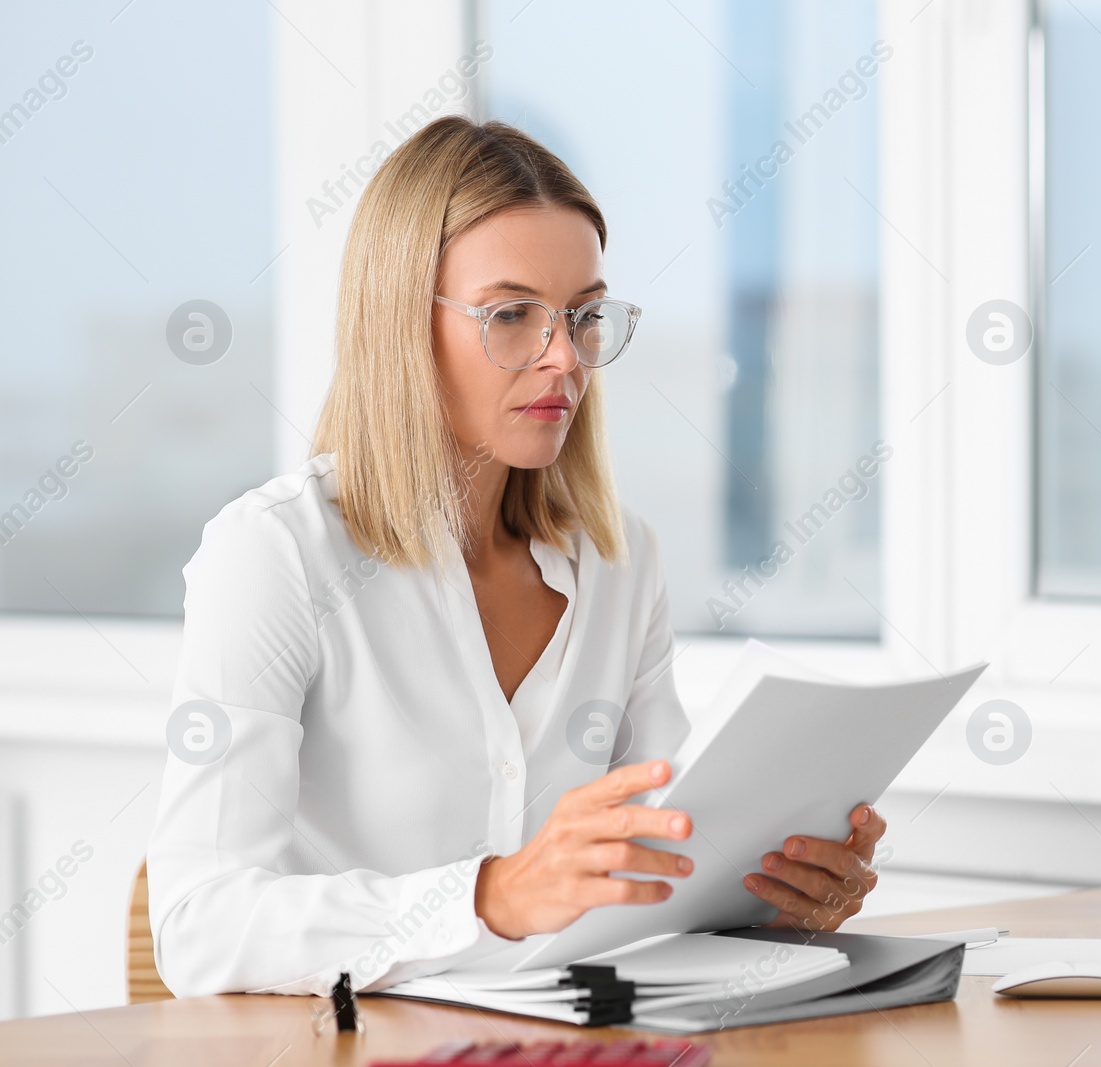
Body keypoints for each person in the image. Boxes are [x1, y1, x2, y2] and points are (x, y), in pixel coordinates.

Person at [145, 116, 885, 996]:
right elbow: (199, 926)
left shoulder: (621, 561)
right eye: (511, 315)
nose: (564, 357)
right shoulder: (276, 555)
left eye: (582, 316)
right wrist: (492, 894)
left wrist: (772, 895)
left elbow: (651, 874)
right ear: (400, 324)